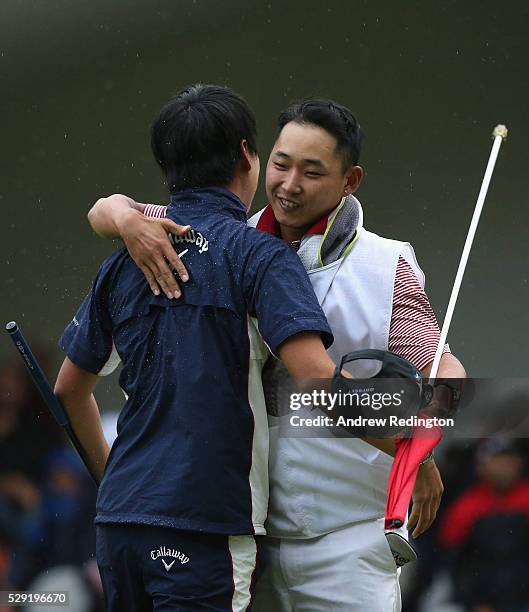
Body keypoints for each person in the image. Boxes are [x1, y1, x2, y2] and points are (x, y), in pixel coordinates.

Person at [87, 97, 466, 611]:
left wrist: (417, 445)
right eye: (282, 164)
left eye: (312, 172)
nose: (289, 185)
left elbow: (440, 369)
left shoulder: (386, 262)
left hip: (347, 538)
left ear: (349, 181)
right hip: (247, 534)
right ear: (257, 158)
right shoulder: (224, 239)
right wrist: (122, 221)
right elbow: (113, 208)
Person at [54, 84, 354, 612]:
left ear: (167, 164)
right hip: (205, 522)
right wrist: (414, 427)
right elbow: (316, 377)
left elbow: (69, 389)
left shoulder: (123, 260)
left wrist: (115, 482)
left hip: (120, 522)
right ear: (246, 156)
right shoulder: (258, 254)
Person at [440, 438, 529, 612]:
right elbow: (453, 557)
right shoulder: (467, 505)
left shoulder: (526, 496)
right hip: (481, 599)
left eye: (509, 461)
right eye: (498, 461)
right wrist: (473, 599)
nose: (504, 466)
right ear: (481, 466)